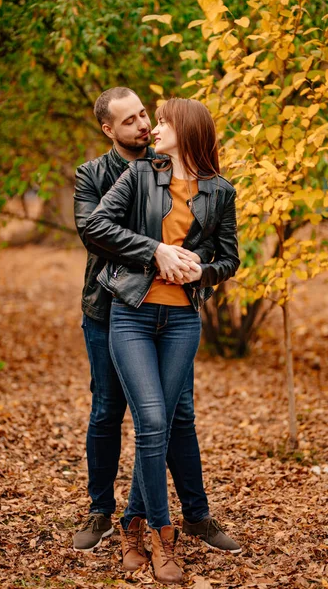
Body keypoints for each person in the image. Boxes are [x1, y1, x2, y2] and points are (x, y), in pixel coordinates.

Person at [73, 88, 241, 559]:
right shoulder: (103, 174)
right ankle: (103, 512)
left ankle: (192, 514)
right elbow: (95, 232)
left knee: (171, 417)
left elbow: (224, 255)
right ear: (109, 129)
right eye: (132, 121)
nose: (146, 126)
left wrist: (200, 271)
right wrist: (156, 252)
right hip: (111, 309)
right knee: (111, 412)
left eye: (147, 115)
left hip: (177, 316)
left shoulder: (196, 179)